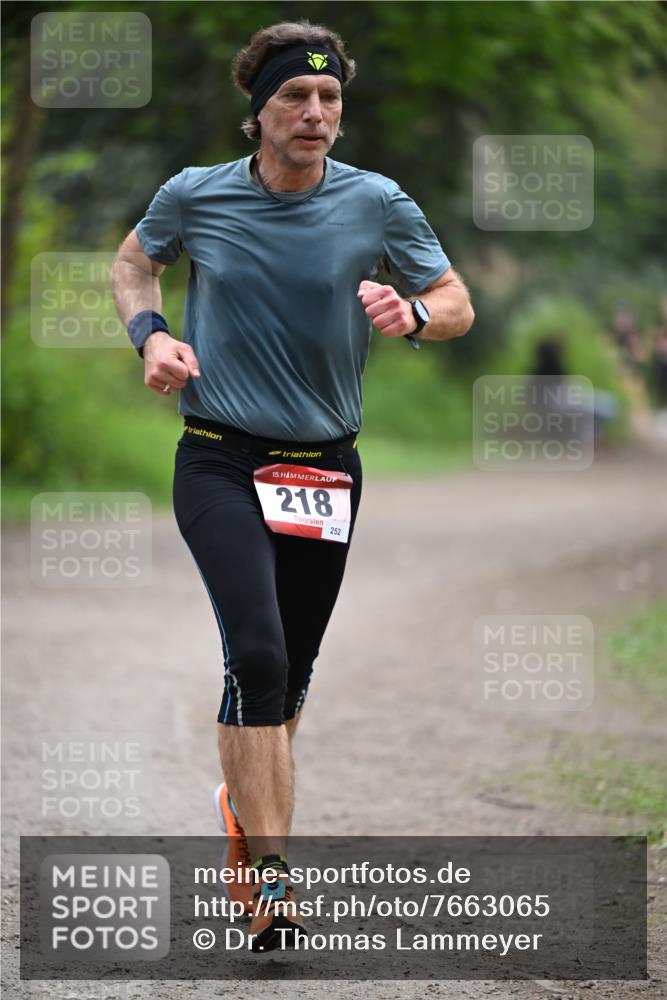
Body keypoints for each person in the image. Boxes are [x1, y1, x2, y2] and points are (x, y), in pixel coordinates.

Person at [110, 19, 474, 953]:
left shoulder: (378, 203)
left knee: (290, 675)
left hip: (323, 468)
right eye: (294, 98)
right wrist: (152, 333)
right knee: (260, 654)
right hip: (220, 454)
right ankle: (271, 880)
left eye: (329, 99)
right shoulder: (196, 196)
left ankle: (243, 802)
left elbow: (455, 303)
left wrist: (413, 313)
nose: (315, 114)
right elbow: (132, 260)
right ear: (258, 111)